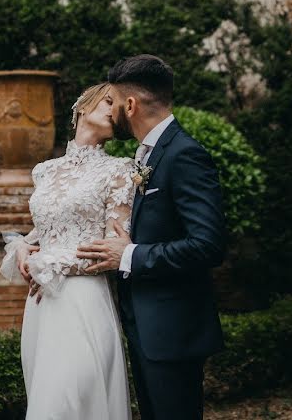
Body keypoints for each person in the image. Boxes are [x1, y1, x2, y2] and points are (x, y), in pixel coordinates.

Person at [77, 54, 227, 420]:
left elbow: (208, 244)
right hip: (145, 326)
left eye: (113, 102)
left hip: (173, 331)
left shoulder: (184, 154)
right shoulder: (148, 154)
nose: (111, 112)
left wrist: (129, 255)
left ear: (131, 105)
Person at [0, 82, 136, 420]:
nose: (112, 109)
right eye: (107, 101)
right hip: (42, 304)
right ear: (80, 108)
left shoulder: (120, 170)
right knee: (46, 395)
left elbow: (113, 247)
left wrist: (49, 262)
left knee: (70, 398)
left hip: (82, 300)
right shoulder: (44, 170)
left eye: (117, 107)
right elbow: (46, 229)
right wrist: (22, 245)